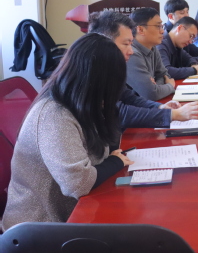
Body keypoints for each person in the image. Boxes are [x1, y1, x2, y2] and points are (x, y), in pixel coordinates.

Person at [2, 34, 134, 230]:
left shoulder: (82, 104)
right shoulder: (54, 115)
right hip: (39, 227)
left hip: (73, 213)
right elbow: (79, 184)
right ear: (97, 82)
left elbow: (105, 150)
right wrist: (116, 162)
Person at [88, 10, 198, 128]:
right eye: (126, 44)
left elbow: (129, 97)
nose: (131, 51)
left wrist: (160, 107)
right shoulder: (93, 71)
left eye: (131, 43)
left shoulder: (113, 67)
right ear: (105, 43)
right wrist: (172, 114)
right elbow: (119, 112)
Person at [126, 7, 176, 101]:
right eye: (158, 26)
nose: (162, 31)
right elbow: (151, 94)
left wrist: (155, 86)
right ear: (141, 30)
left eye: (161, 26)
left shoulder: (152, 47)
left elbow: (164, 75)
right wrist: (170, 85)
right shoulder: (132, 54)